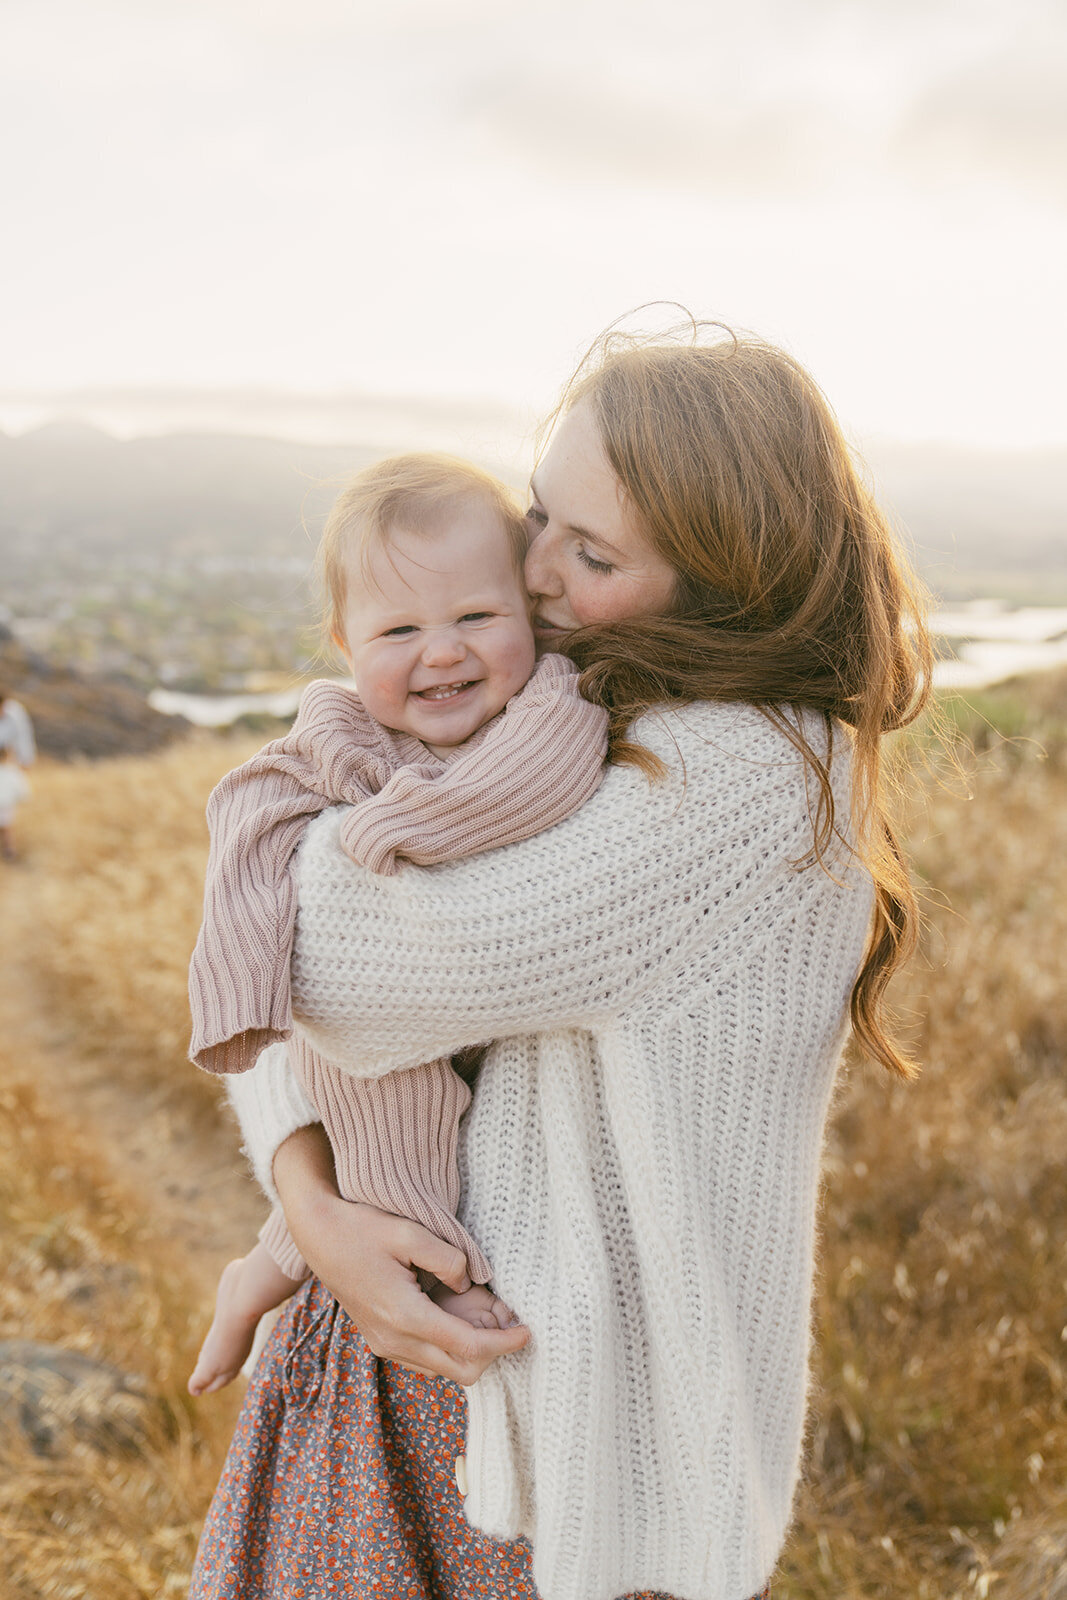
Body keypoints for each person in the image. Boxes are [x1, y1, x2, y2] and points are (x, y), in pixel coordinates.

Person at [190, 320, 931, 1600]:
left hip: (556, 1449)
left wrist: (295, 815)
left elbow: (323, 966)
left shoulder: (741, 779)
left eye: (586, 554)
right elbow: (269, 991)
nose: (529, 571)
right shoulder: (577, 719)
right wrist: (310, 1209)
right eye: (539, 517)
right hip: (439, 1371)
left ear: (725, 583)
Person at [186, 454, 608, 1395]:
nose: (443, 651)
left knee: (374, 1112)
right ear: (345, 642)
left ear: (529, 615)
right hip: (384, 1041)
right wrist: (244, 972)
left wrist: (380, 828)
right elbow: (249, 802)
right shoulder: (343, 725)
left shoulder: (548, 704)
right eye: (400, 629)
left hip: (445, 995)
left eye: (476, 618)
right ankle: (428, 1265)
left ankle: (270, 1259)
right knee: (391, 1096)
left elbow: (536, 782)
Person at [0, 745, 30, 861]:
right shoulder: (13, 772)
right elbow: (21, 789)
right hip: (7, 804)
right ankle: (9, 852)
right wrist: (23, 798)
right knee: (7, 829)